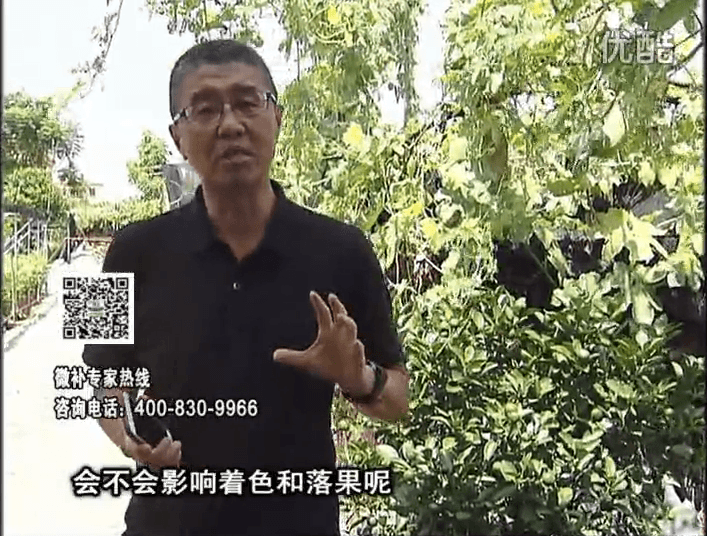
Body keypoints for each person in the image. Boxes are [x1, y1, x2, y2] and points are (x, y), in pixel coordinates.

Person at [83, 39, 409, 536]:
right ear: (177, 136)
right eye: (205, 109)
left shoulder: (346, 249)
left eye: (247, 102)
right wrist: (130, 439)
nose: (230, 124)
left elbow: (398, 399)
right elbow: (99, 380)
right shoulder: (126, 249)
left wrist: (358, 378)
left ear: (277, 117)